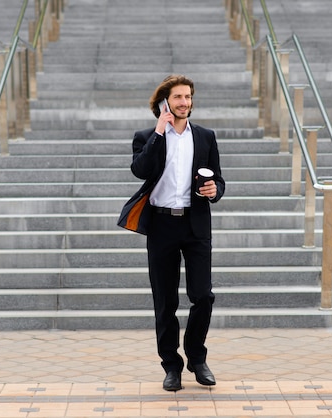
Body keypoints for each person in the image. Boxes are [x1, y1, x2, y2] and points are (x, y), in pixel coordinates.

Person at [117, 75, 225, 391]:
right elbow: (140, 169)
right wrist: (160, 131)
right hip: (162, 226)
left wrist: (213, 190)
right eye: (178, 98)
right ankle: (171, 366)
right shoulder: (147, 137)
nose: (184, 103)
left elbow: (219, 181)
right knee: (165, 302)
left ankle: (196, 356)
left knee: (202, 296)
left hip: (195, 225)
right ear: (165, 102)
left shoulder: (205, 137)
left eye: (188, 97)